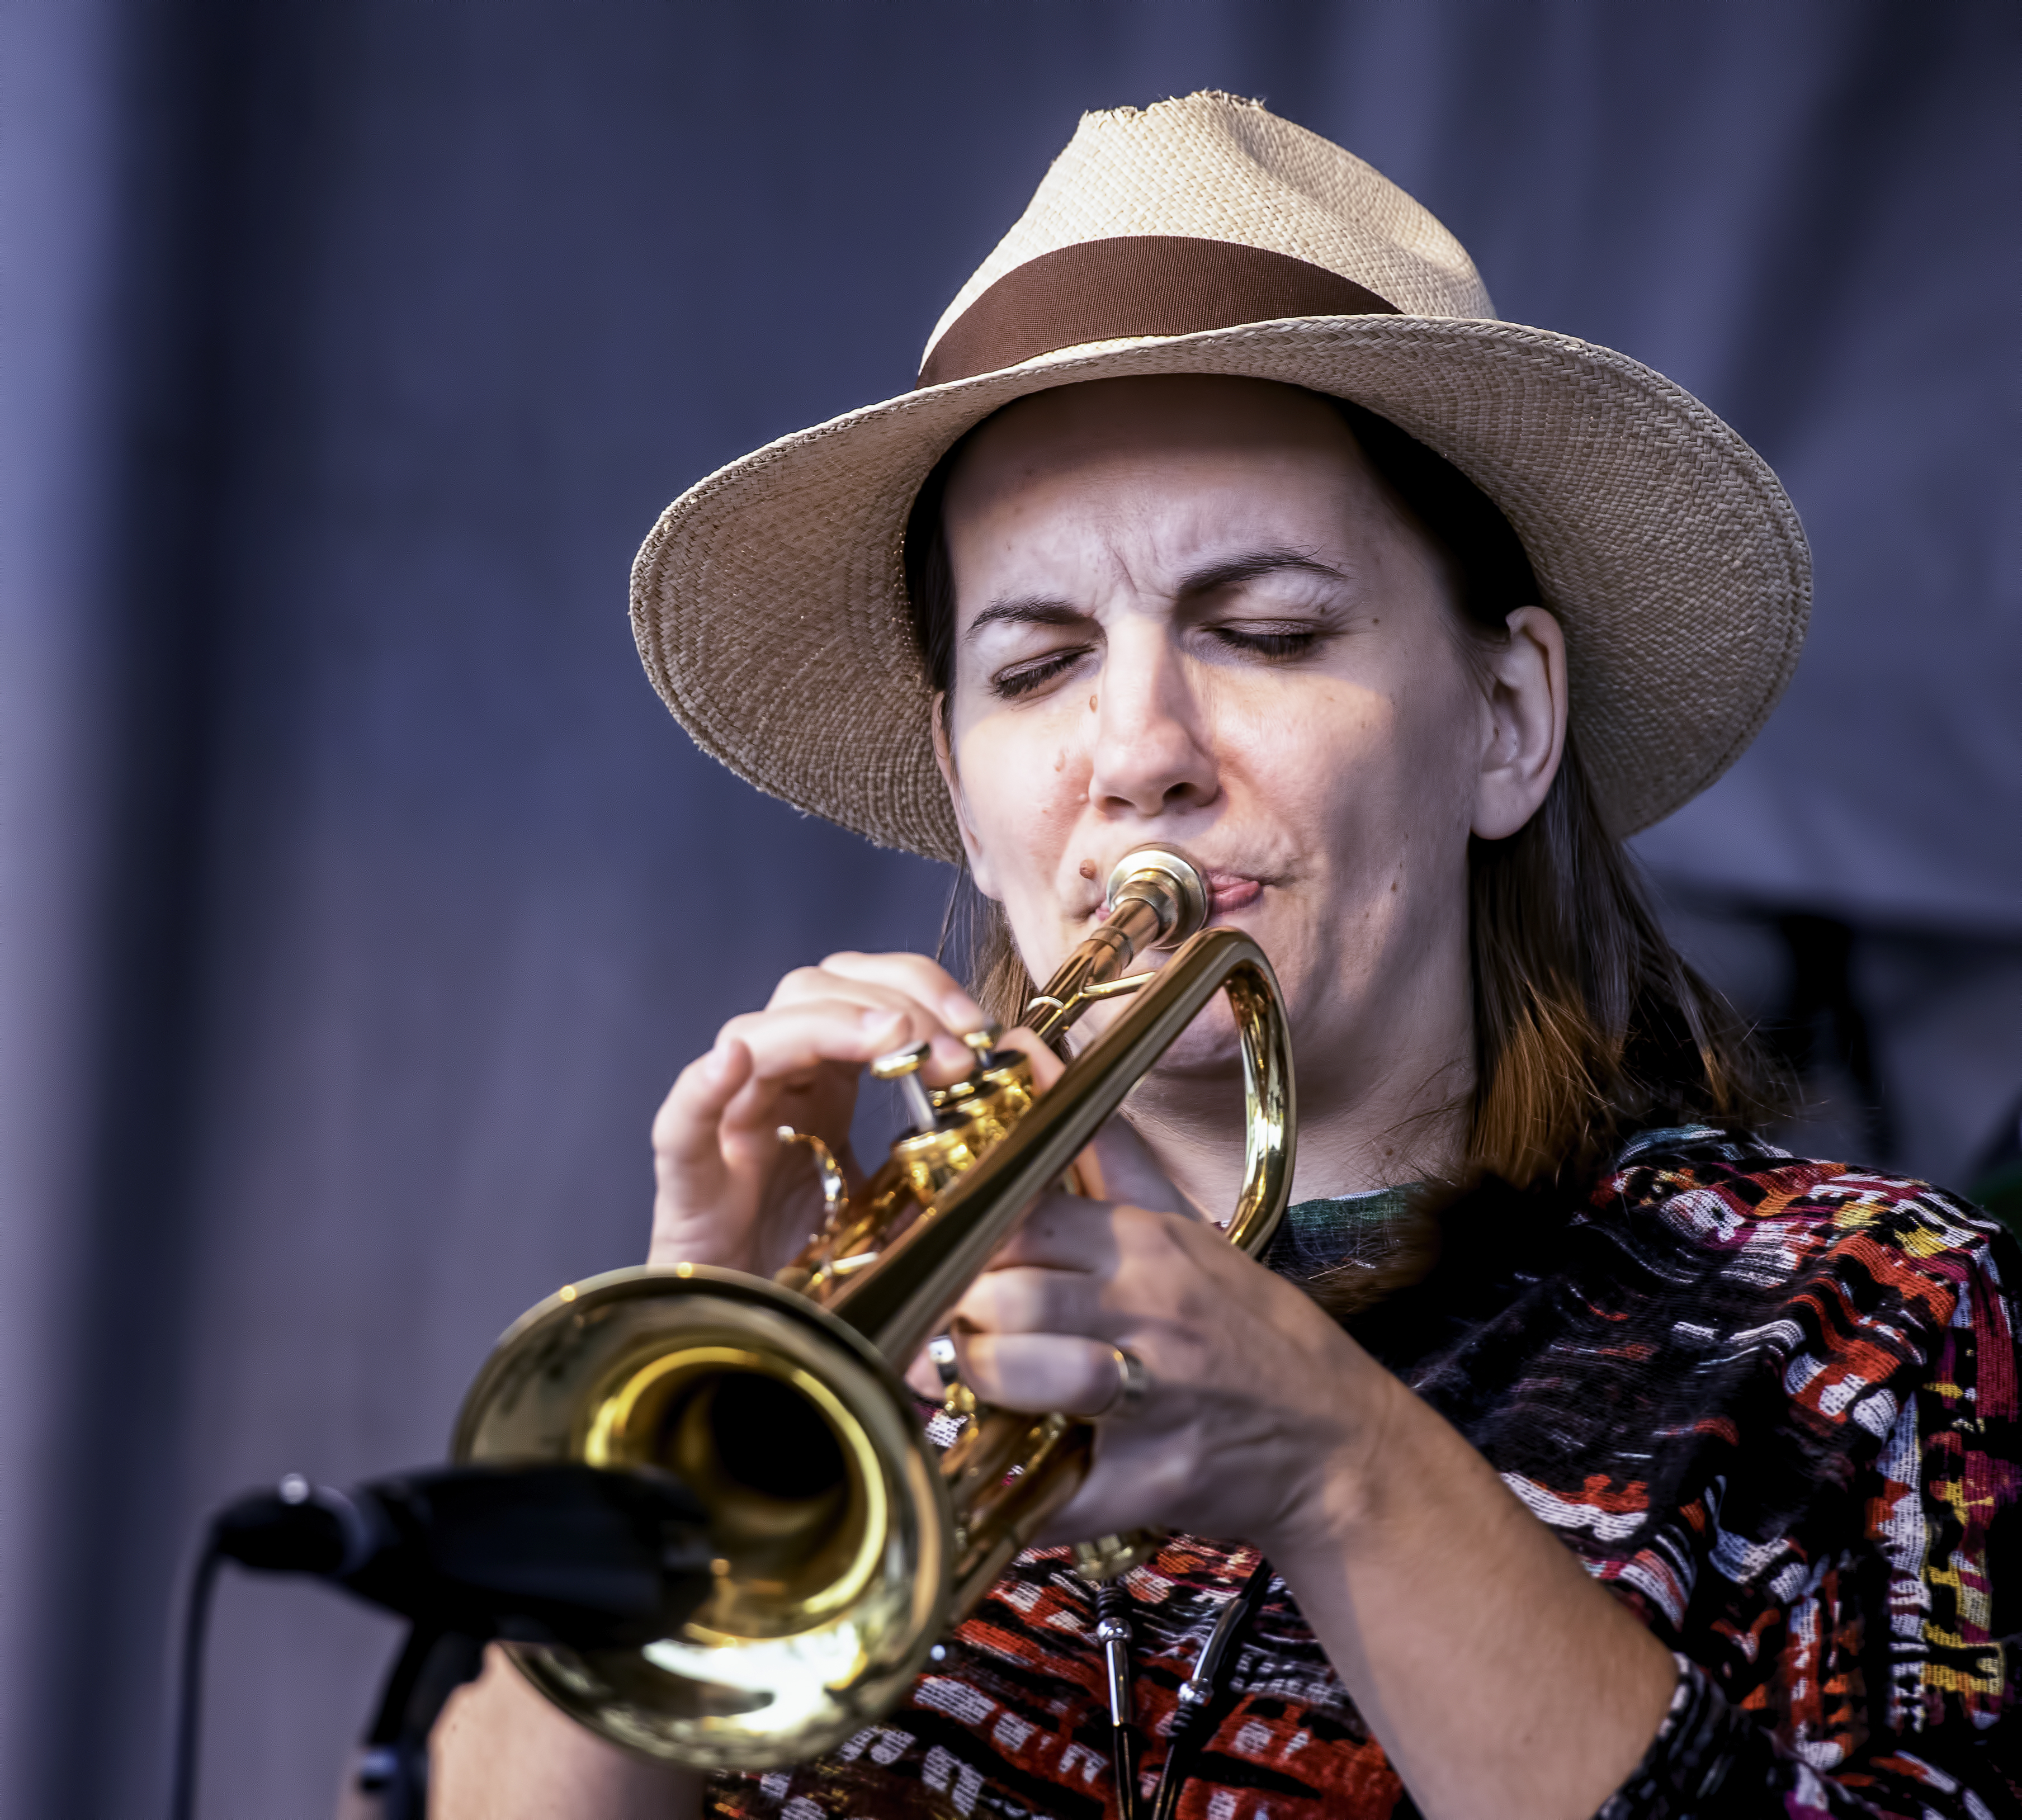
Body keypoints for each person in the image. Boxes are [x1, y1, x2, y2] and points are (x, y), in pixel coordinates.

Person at [430, 94, 2018, 1819]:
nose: (1139, 752)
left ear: (1505, 719)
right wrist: (682, 1442)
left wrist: (1340, 1470)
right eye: (1036, 669)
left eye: (1266, 633)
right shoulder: (862, 1367)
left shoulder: (1865, 1322)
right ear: (964, 788)